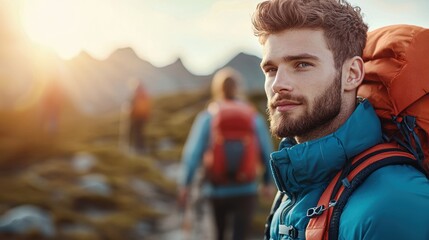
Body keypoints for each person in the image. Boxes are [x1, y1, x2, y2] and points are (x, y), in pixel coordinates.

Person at [251, 0, 429, 240]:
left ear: (352, 74)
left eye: (302, 64)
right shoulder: (294, 183)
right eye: (271, 69)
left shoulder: (394, 204)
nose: (278, 84)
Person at [178, 67, 274, 240]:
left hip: (216, 189)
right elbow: (267, 152)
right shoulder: (252, 117)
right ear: (238, 88)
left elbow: (193, 154)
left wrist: (186, 184)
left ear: (218, 89)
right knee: (240, 235)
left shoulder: (208, 117)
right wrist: (268, 182)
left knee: (218, 235)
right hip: (247, 189)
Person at [127, 81, 151, 154]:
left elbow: (131, 105)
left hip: (136, 117)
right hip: (143, 116)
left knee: (135, 132)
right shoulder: (144, 93)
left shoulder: (136, 94)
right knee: (140, 132)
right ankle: (141, 147)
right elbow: (148, 105)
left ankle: (135, 148)